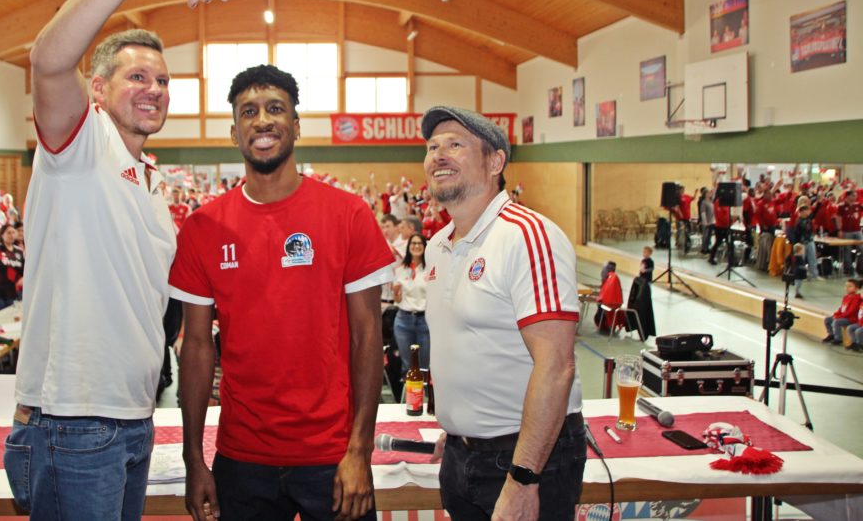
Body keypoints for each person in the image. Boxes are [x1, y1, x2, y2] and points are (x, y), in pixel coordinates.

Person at [4, 0, 255, 520]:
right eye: (137, 78)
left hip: (131, 416)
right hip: (72, 417)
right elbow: (48, 58)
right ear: (96, 90)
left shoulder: (147, 179)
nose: (156, 91)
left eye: (164, 81)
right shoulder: (78, 142)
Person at [172, 65, 394, 521]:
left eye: (276, 108)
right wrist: (193, 460)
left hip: (331, 456)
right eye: (248, 111)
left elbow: (367, 337)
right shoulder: (202, 228)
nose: (263, 120)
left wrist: (360, 450)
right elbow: (195, 346)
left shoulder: (348, 215)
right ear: (234, 132)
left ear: (296, 125)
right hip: (241, 457)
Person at [420, 106, 585, 521]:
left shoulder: (527, 237)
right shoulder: (438, 244)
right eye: (432, 146)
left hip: (524, 459)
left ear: (495, 162)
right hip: (462, 453)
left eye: (455, 144)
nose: (439, 154)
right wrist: (460, 427)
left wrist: (524, 478)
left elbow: (557, 366)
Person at [392, 233, 430, 377]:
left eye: (420, 243)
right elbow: (398, 299)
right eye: (413, 243)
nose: (416, 246)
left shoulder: (430, 269)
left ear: (425, 247)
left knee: (425, 365)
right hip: (403, 320)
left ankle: (427, 397)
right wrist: (396, 292)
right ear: (408, 247)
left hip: (424, 320)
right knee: (408, 366)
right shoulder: (401, 270)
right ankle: (409, 398)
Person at [821, 279, 860, 346]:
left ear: (856, 289)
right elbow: (841, 308)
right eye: (846, 286)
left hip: (851, 319)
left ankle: (838, 339)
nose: (847, 288)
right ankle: (831, 334)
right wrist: (835, 314)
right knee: (828, 319)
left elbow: (850, 312)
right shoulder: (846, 297)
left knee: (837, 322)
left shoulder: (857, 299)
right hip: (843, 317)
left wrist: (838, 317)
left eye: (850, 286)